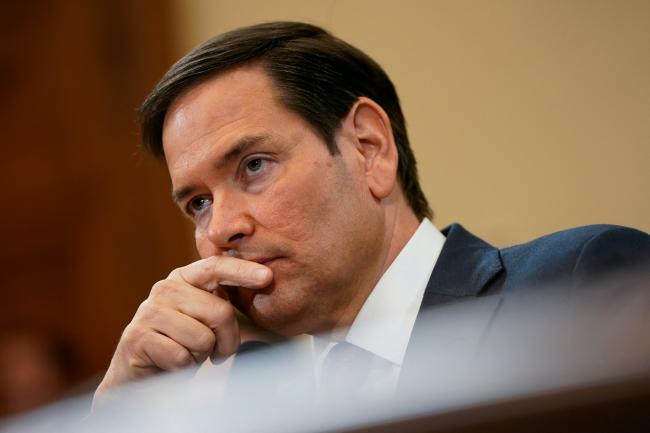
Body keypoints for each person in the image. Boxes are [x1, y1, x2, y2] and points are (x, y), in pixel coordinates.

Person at [94, 21, 650, 399]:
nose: (221, 228)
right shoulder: (237, 395)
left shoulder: (575, 286)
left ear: (369, 149)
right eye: (198, 203)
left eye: (254, 166)